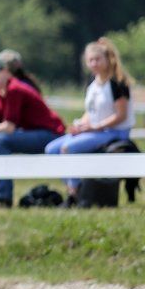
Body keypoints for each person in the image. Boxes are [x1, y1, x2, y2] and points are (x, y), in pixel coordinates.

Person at [0, 53, 65, 207]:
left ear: (6, 72)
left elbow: (8, 127)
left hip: (51, 134)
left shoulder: (15, 89)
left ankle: (3, 199)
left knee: (0, 140)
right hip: (31, 132)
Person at [45, 38, 136, 205]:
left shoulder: (117, 83)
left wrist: (94, 127)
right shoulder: (93, 84)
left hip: (113, 131)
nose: (94, 64)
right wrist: (80, 125)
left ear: (107, 59)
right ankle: (73, 188)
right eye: (90, 60)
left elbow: (121, 116)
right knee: (51, 149)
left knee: (68, 148)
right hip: (95, 130)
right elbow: (92, 111)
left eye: (97, 59)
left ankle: (75, 193)